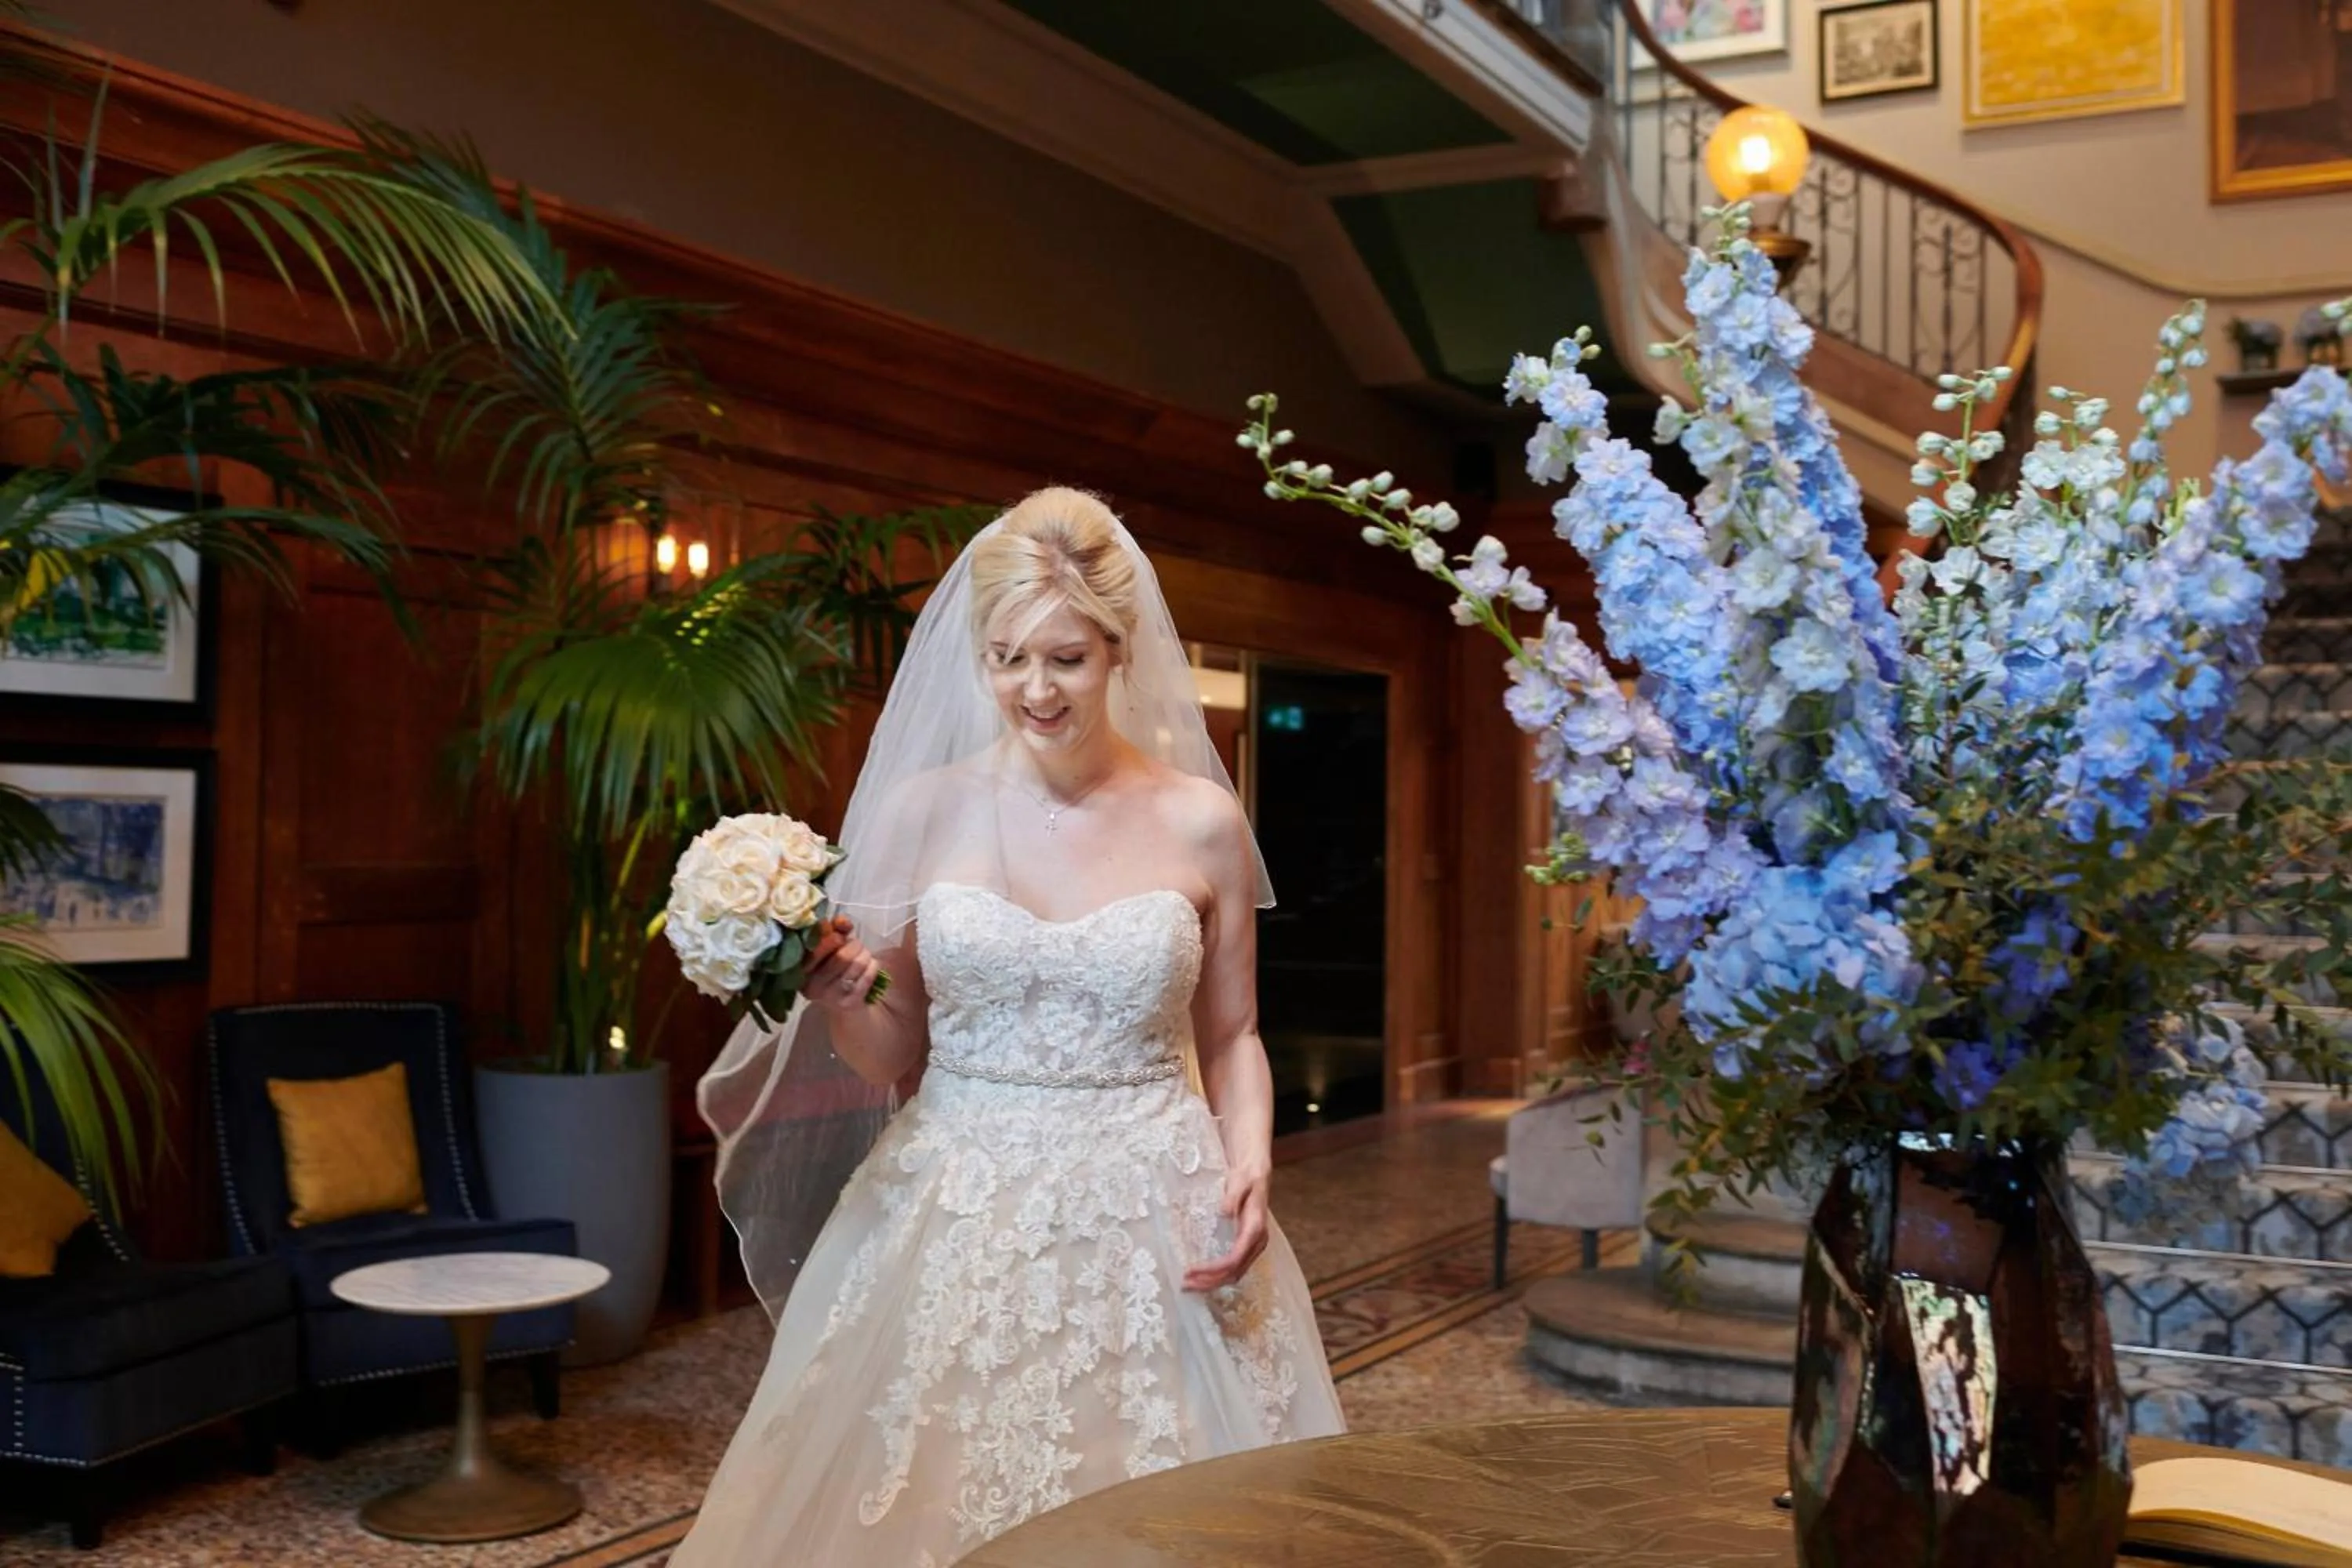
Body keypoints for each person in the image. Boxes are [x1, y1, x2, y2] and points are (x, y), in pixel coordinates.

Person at [671, 486, 1344, 1566]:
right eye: (1008, 657)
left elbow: (1234, 1034)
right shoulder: (919, 810)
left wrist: (1251, 1157)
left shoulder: (1201, 821)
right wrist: (845, 997)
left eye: (1066, 658)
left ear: (1119, 650)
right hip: (955, 1198)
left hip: (1154, 1202)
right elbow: (895, 1056)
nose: (1034, 688)